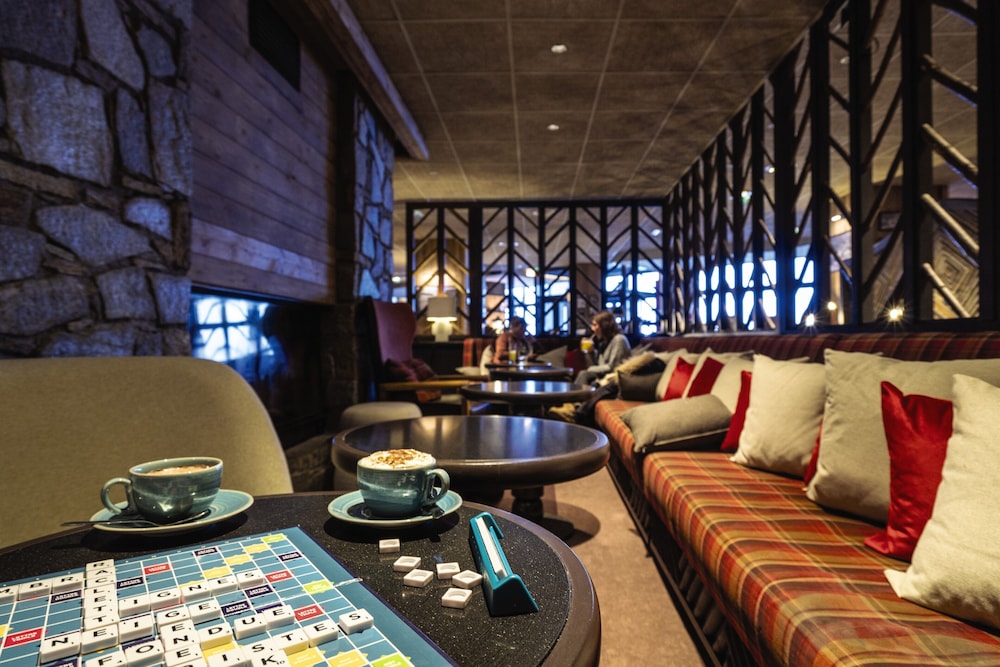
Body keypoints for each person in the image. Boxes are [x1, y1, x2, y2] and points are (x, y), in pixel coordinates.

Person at [575, 311, 631, 386]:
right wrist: (591, 352)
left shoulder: (619, 339)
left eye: (595, 325)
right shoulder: (603, 342)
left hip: (615, 378)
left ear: (604, 326)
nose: (592, 329)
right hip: (604, 376)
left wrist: (590, 369)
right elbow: (598, 366)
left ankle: (575, 393)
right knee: (585, 376)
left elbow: (612, 367)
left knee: (584, 374)